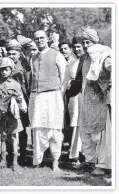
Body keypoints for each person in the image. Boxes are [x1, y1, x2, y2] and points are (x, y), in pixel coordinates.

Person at [66, 27, 111, 176]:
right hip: (86, 100)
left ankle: (103, 165)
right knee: (85, 133)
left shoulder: (104, 55)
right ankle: (89, 162)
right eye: (84, 42)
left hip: (101, 100)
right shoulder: (84, 58)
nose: (85, 46)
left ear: (95, 42)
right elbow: (79, 79)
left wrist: (109, 82)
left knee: (102, 135)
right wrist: (69, 90)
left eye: (88, 42)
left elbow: (112, 69)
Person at [28, 30, 67, 172]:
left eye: (42, 38)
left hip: (54, 96)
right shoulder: (33, 58)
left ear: (47, 39)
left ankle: (55, 161)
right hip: (38, 97)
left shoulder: (57, 55)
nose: (39, 41)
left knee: (55, 127)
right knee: (38, 127)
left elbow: (64, 77)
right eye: (36, 39)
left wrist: (57, 93)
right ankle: (38, 160)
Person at [0, 57, 27, 171]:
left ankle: (15, 163)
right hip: (1, 116)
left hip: (13, 116)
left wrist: (16, 100)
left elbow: (21, 99)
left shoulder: (15, 84)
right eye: (2, 69)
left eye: (6, 69)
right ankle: (3, 161)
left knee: (14, 138)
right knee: (3, 137)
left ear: (11, 70)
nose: (4, 72)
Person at [6, 39, 31, 166]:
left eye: (14, 54)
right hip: (8, 100)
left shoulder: (24, 66)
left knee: (21, 129)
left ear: (19, 54)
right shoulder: (6, 65)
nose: (11, 56)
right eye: (9, 54)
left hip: (22, 100)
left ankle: (23, 155)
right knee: (10, 127)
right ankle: (11, 154)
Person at [62, 37, 85, 164]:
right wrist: (70, 83)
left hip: (85, 95)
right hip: (74, 97)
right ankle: (75, 154)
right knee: (74, 123)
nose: (77, 49)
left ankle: (85, 154)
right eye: (75, 47)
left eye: (79, 46)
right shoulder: (71, 63)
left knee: (83, 124)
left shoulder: (88, 60)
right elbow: (65, 81)